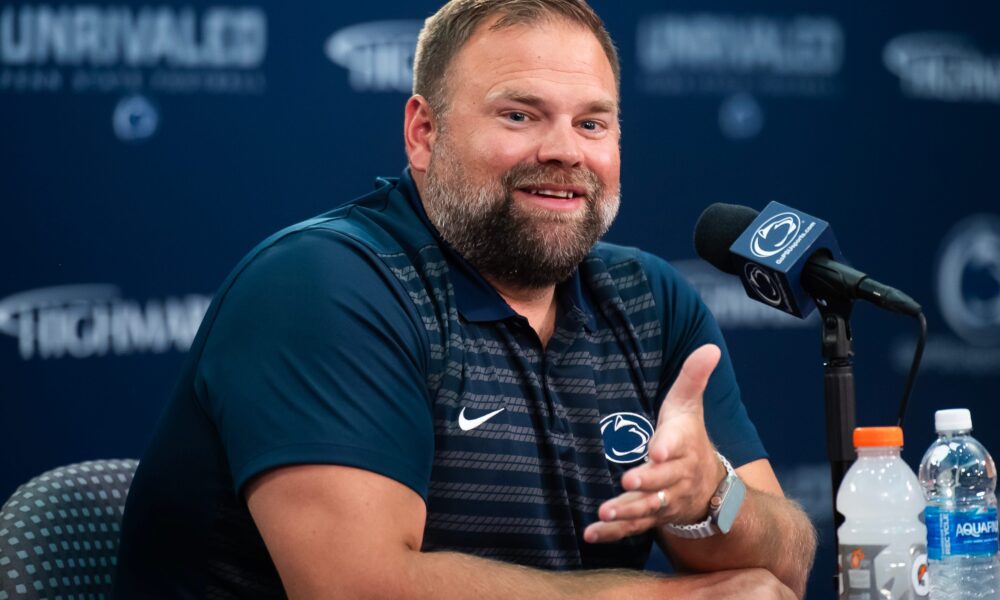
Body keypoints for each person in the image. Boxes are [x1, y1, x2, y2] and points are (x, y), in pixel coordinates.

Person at [114, 1, 817, 598]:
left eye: (593, 123)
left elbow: (784, 563)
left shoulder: (651, 301)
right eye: (519, 115)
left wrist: (708, 502)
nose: (565, 150)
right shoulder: (326, 283)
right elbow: (360, 587)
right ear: (424, 133)